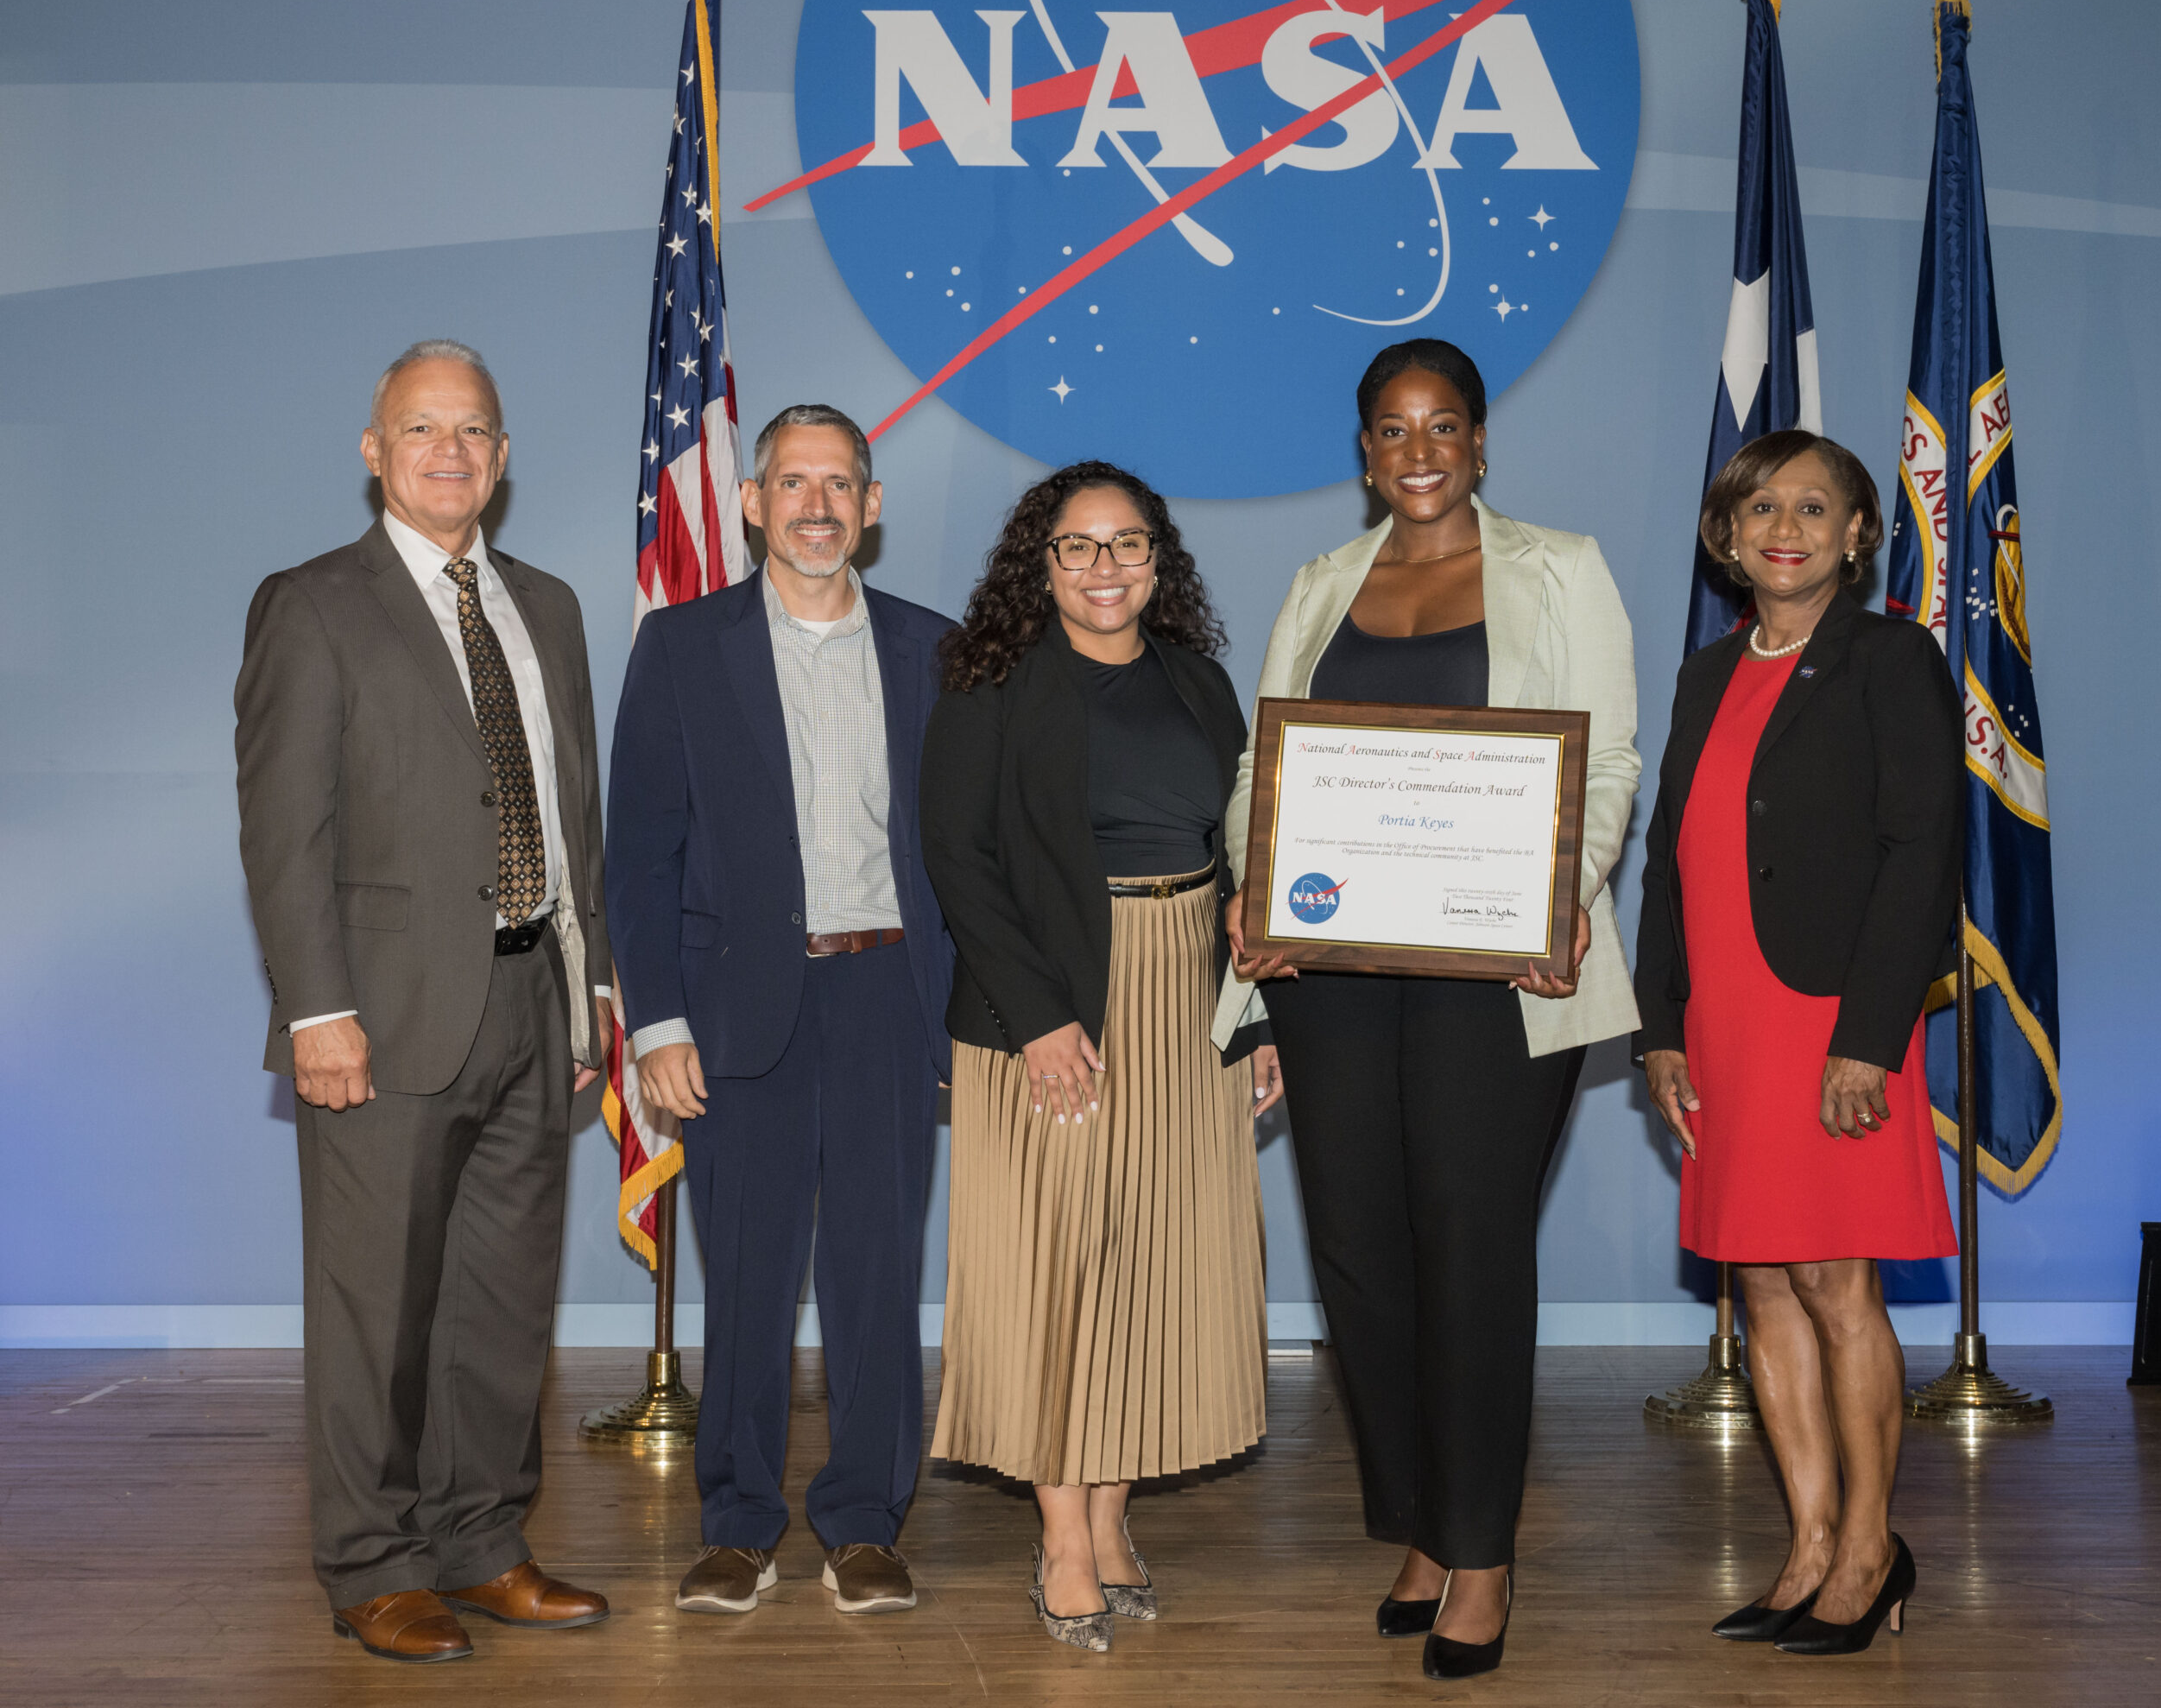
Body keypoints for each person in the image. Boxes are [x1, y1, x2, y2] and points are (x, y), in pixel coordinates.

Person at [1219, 338, 1640, 1681]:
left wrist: (1563, 892)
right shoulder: (1319, 583)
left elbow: (1609, 753)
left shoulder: (1560, 567)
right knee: (1357, 1255)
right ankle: (1416, 1519)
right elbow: (1263, 758)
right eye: (1392, 430)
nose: (1417, 451)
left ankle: (1482, 1548)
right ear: (1363, 452)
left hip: (1495, 978)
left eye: (1441, 425)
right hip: (1337, 980)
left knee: (1470, 1248)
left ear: (1477, 442)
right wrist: (1252, 888)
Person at [236, 340, 615, 1663]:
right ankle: (371, 1563)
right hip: (381, 1017)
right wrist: (313, 1010)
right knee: (374, 1309)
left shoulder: (551, 608)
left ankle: (481, 1541)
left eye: (474, 433)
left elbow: (574, 823)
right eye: (422, 429)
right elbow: (286, 834)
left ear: (502, 459)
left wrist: (592, 992)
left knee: (503, 1305)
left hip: (531, 1004)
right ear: (374, 448)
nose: (450, 453)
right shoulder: (313, 604)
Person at [920, 461, 1280, 1654]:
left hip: (1191, 995)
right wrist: (1040, 1017)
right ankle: (1063, 1543)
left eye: (1128, 544)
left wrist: (1256, 1018)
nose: (1105, 567)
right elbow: (959, 861)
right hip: (1055, 999)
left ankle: (1115, 1521)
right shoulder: (990, 682)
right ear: (1041, 562)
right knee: (1062, 1274)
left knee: (1154, 1266)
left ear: (1159, 561)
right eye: (1077, 547)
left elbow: (1249, 860)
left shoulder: (1201, 681)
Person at [605, 404, 956, 1620]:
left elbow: (964, 853)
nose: (816, 505)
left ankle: (864, 1525)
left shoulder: (935, 649)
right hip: (734, 1007)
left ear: (871, 504)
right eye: (792, 483)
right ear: (752, 503)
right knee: (746, 1278)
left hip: (886, 995)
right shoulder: (683, 649)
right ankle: (738, 1525)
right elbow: (639, 854)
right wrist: (654, 1022)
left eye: (839, 484)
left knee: (874, 1272)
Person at [1636, 429, 1961, 1656]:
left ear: (1857, 534)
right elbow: (1673, 863)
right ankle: (1811, 1542)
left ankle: (1873, 1548)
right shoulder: (1704, 677)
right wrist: (1661, 1029)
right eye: (1761, 506)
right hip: (1722, 1025)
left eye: (1815, 508)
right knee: (1758, 1281)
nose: (1787, 527)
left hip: (1833, 1024)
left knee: (1836, 1283)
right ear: (1727, 536)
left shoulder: (1890, 658)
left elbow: (1923, 853)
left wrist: (1871, 1042)